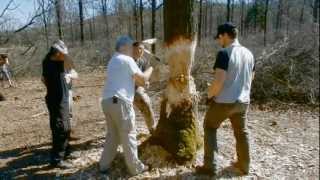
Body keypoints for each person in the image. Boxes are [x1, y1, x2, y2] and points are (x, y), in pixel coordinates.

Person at [196, 23, 255, 176]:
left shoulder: (224, 53)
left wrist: (209, 95)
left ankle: (210, 167)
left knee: (209, 127)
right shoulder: (249, 53)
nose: (218, 40)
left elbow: (218, 81)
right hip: (243, 102)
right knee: (241, 132)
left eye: (219, 37)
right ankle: (244, 165)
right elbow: (251, 78)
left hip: (224, 101)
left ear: (225, 35)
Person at [99, 36, 153, 175]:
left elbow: (130, 79)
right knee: (128, 134)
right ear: (123, 47)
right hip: (120, 102)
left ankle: (103, 165)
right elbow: (142, 80)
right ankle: (136, 169)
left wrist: (141, 80)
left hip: (107, 101)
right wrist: (152, 67)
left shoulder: (113, 60)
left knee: (113, 135)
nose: (133, 49)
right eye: (130, 47)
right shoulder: (127, 59)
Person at [42, 40, 72, 168]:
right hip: (56, 100)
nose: (64, 55)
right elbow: (43, 79)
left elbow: (72, 69)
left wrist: (70, 77)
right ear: (56, 53)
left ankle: (64, 153)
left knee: (65, 127)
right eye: (62, 53)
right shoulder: (51, 63)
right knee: (60, 128)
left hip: (62, 98)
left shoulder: (54, 60)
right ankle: (57, 159)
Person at [132, 41, 156, 134]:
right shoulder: (128, 61)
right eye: (137, 49)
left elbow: (144, 77)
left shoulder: (143, 61)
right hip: (125, 89)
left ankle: (152, 128)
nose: (139, 51)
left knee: (146, 102)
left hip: (137, 88)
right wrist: (142, 82)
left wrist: (146, 82)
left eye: (141, 49)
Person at [64, 57, 79, 139]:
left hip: (68, 92)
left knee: (69, 113)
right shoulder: (54, 67)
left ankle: (68, 134)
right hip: (58, 93)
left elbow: (76, 75)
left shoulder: (68, 68)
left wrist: (68, 75)